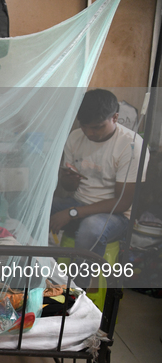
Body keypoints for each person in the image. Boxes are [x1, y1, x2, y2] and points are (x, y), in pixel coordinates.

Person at [50, 89, 150, 257]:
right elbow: (69, 187)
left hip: (116, 215)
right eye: (84, 127)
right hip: (78, 203)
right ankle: (37, 273)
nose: (89, 133)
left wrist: (72, 213)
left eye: (97, 127)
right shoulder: (75, 138)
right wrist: (68, 179)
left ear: (115, 118)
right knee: (37, 209)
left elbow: (123, 203)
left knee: (90, 230)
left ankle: (79, 283)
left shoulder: (131, 147)